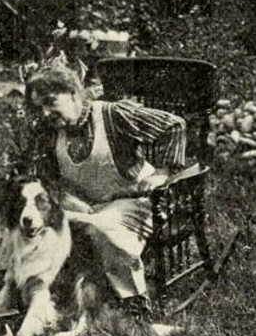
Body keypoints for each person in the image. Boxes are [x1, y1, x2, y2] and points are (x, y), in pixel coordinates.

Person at [20, 63, 187, 320]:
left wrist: (161, 173)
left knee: (100, 227)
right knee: (30, 223)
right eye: (39, 107)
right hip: (87, 204)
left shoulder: (113, 115)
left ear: (73, 93)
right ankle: (28, 295)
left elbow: (173, 125)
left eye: (51, 102)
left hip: (133, 200)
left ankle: (133, 305)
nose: (45, 113)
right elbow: (48, 178)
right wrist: (68, 200)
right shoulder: (52, 133)